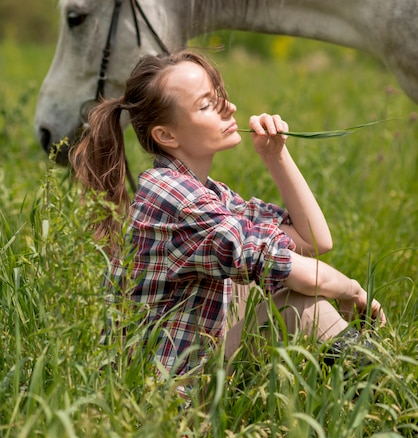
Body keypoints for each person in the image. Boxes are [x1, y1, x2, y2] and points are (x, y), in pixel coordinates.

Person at [70, 49, 386, 381]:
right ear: (166, 135)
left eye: (220, 94)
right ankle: (392, 402)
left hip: (193, 367)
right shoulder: (175, 199)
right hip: (164, 399)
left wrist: (275, 156)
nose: (229, 107)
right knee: (301, 306)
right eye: (207, 104)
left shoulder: (209, 194)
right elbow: (300, 272)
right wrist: (352, 291)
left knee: (269, 286)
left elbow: (313, 241)